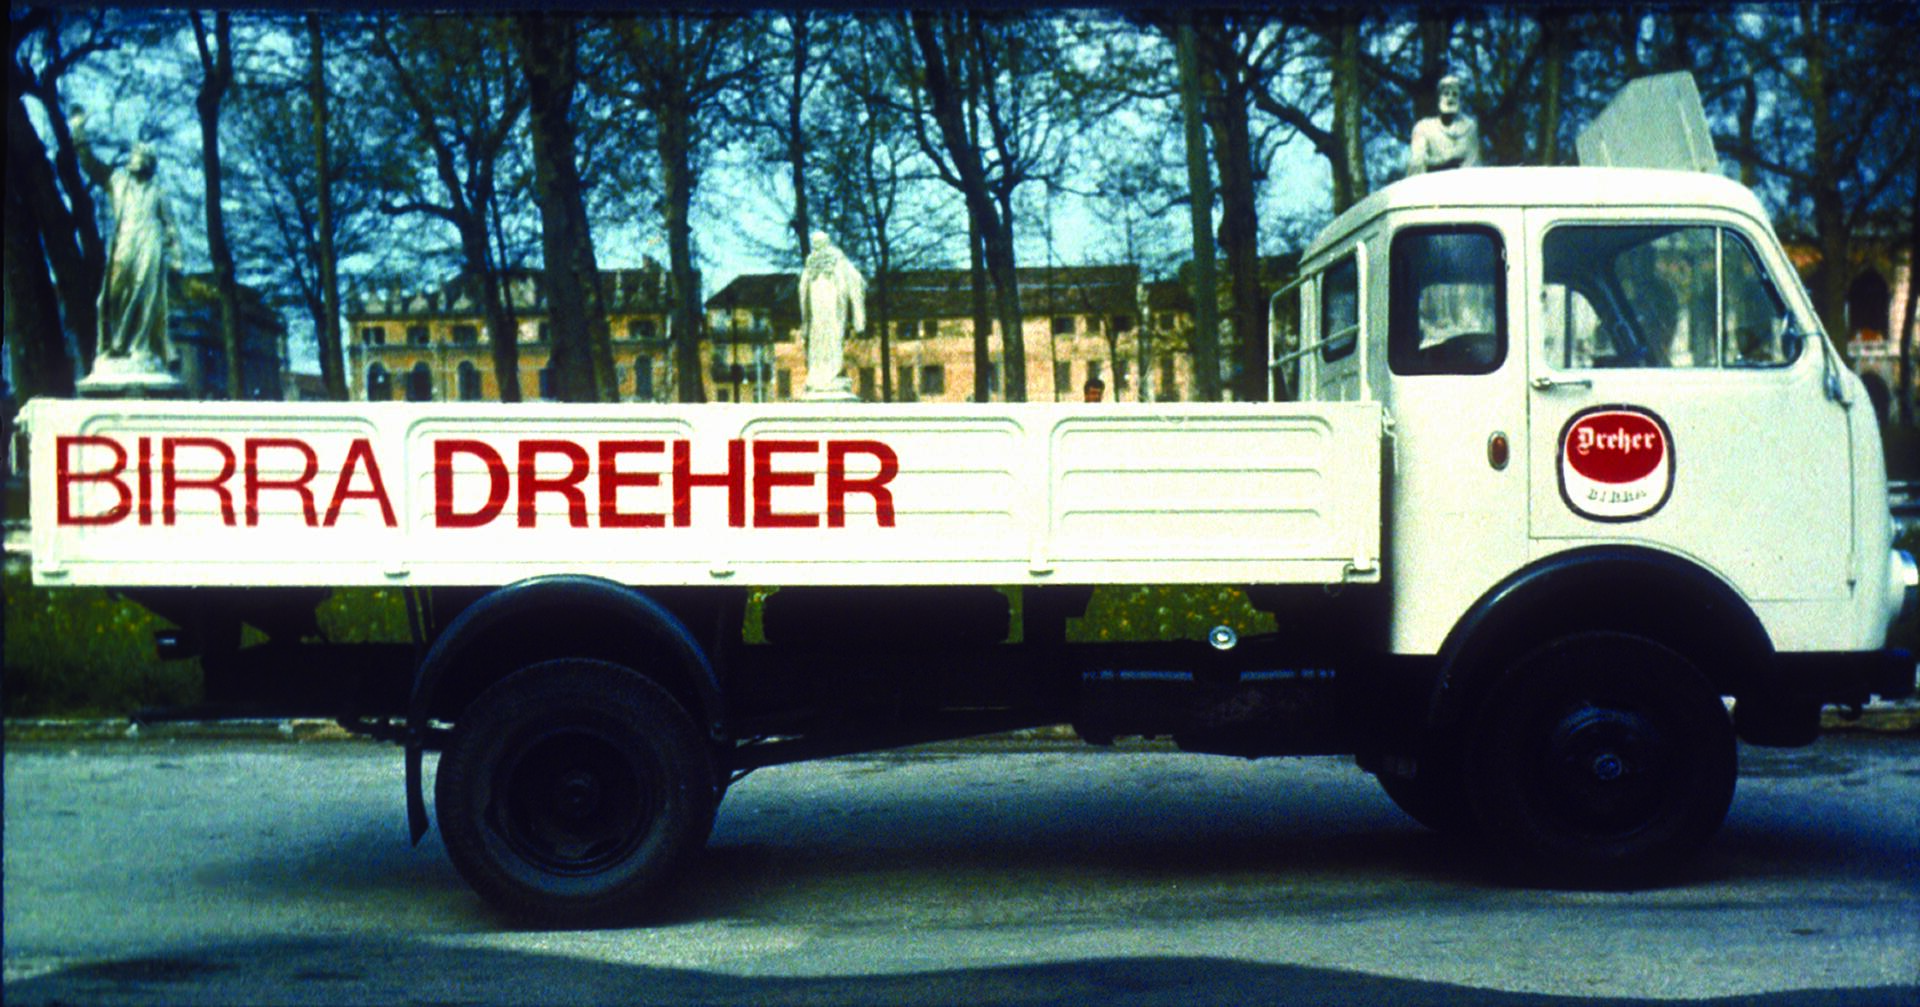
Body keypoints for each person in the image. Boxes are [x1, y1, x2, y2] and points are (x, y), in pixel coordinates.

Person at [72, 109, 182, 377]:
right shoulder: (118, 180)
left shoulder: (158, 192)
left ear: (149, 163)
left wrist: (177, 257)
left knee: (146, 294)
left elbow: (170, 226)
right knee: (111, 296)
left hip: (150, 242)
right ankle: (112, 344)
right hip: (124, 243)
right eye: (135, 155)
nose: (135, 159)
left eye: (141, 156)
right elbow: (90, 164)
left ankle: (138, 347)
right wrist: (78, 133)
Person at [796, 231, 864, 399]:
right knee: (821, 338)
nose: (817, 247)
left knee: (830, 337)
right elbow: (803, 290)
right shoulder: (812, 263)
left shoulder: (836, 259)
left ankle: (827, 375)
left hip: (831, 308)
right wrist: (805, 320)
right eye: (815, 243)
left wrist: (858, 315)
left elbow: (855, 279)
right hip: (819, 309)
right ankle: (820, 376)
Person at [1408, 75, 1482, 175]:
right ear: (1438, 98)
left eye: (1455, 94)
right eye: (1446, 94)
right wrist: (1445, 161)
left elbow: (1474, 164)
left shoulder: (1470, 127)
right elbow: (1417, 163)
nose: (1450, 98)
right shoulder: (1424, 128)